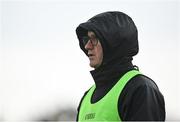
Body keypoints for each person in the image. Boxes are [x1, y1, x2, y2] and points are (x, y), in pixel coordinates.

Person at [75, 11, 165, 121]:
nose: (87, 46)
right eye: (86, 39)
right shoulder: (87, 97)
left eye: (94, 39)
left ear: (113, 43)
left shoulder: (140, 89)